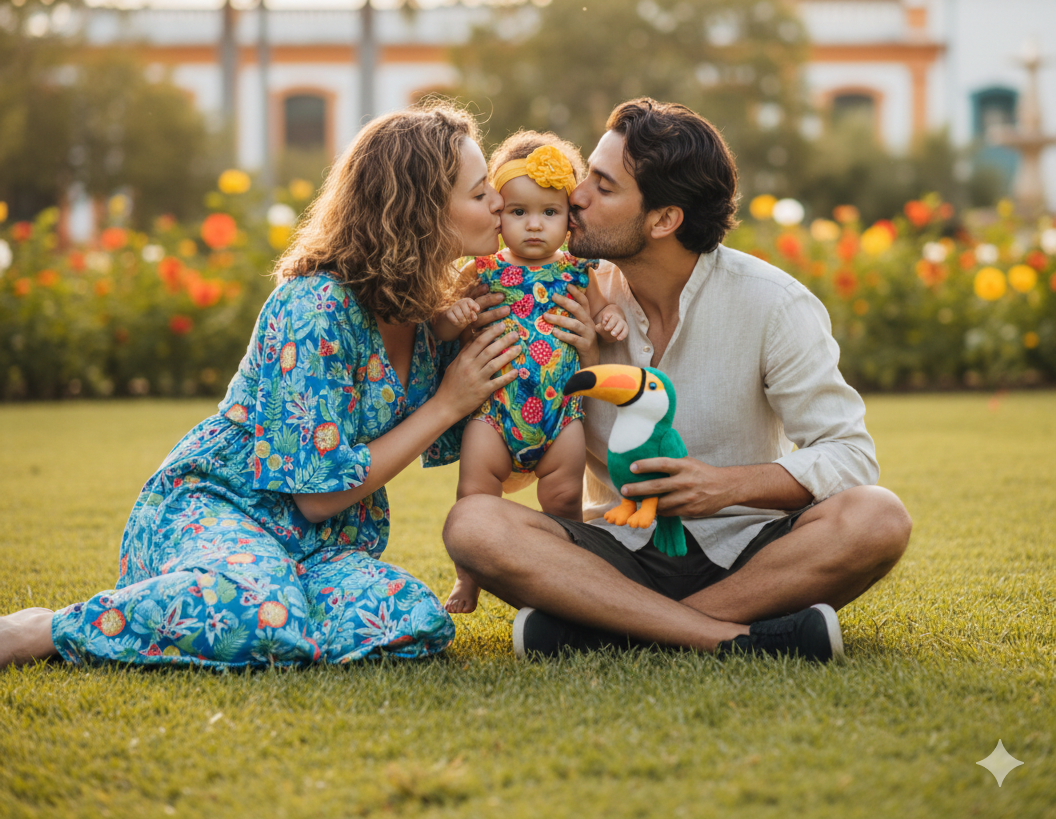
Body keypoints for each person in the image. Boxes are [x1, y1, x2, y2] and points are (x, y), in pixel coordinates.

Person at [0, 105, 523, 669]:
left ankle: (281, 618)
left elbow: (511, 449)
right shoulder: (314, 308)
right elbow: (316, 497)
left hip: (317, 550)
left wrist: (574, 341)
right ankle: (49, 628)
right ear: (421, 213)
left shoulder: (434, 319)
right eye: (479, 194)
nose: (499, 202)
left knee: (412, 618)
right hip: (219, 511)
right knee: (257, 611)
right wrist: (446, 404)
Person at [443, 98, 913, 662]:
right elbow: (525, 455)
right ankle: (722, 637)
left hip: (749, 552)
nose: (576, 196)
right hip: (614, 550)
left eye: (603, 186)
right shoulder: (569, 299)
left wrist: (725, 487)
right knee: (472, 524)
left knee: (878, 517)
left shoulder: (774, 304)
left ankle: (613, 629)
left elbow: (850, 457)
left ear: (664, 220)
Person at [434, 132, 628, 614]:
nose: (534, 225)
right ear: (498, 215)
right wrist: (453, 316)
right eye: (519, 212)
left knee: (564, 498)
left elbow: (601, 315)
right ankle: (468, 577)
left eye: (550, 212)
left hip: (561, 414)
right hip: (494, 411)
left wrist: (609, 318)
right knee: (474, 494)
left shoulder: (580, 272)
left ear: (569, 218)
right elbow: (440, 327)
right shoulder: (480, 269)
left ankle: (566, 572)